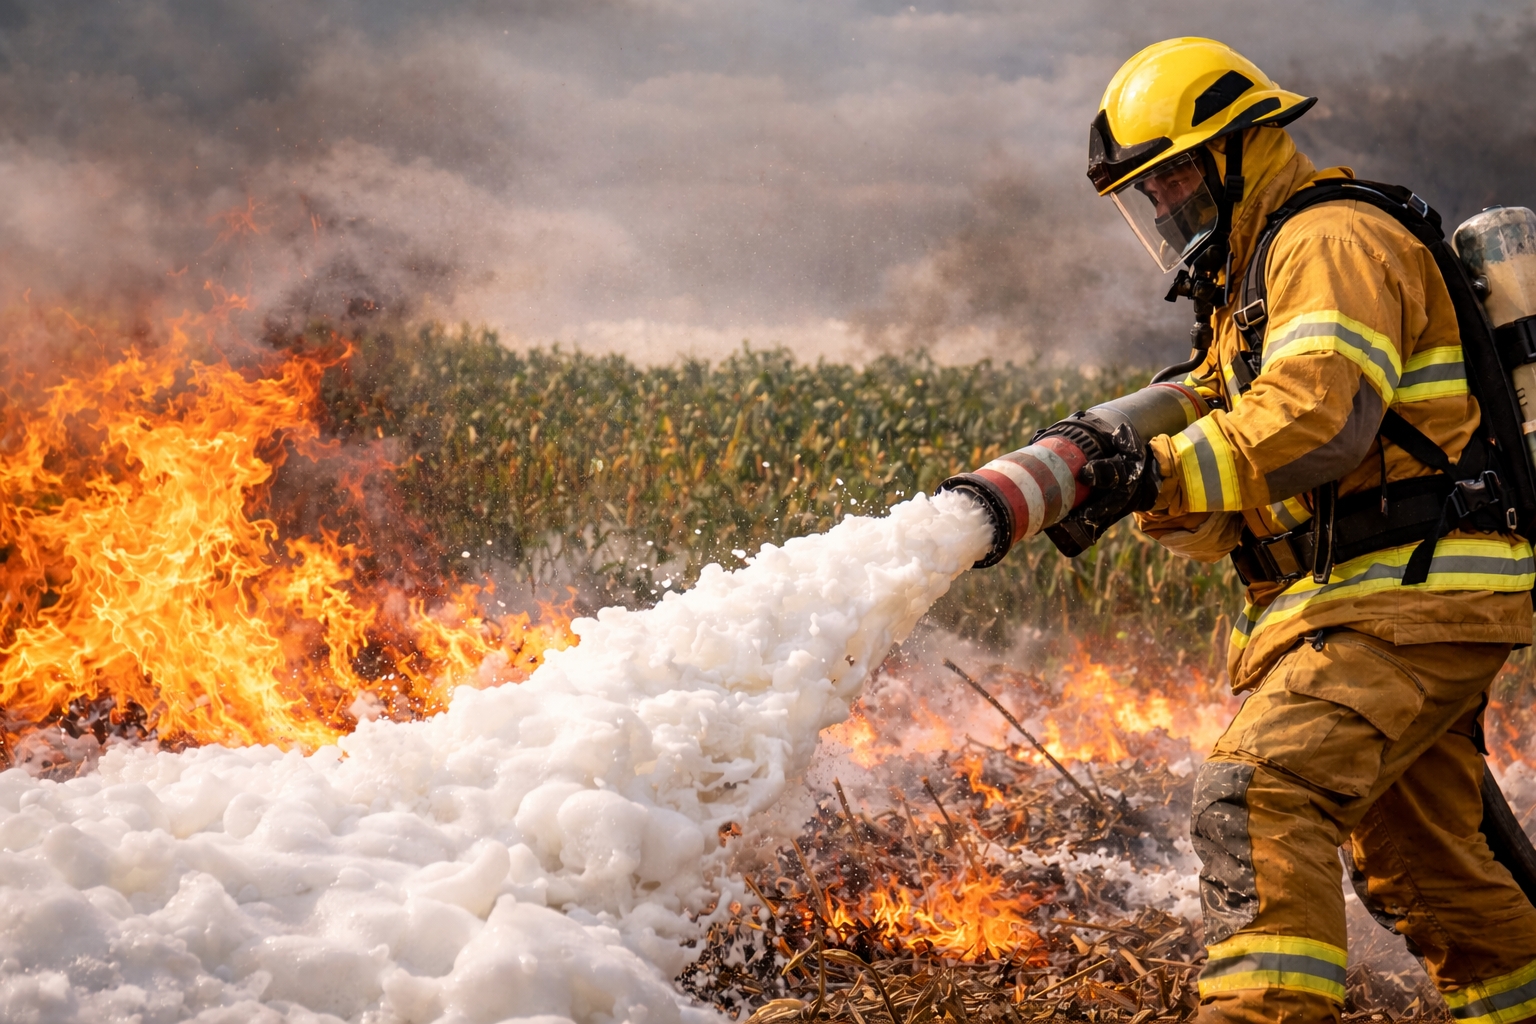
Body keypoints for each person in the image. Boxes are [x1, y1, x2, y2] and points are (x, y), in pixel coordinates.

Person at [1090, 37, 1536, 1024]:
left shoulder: (1324, 242)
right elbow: (1244, 497)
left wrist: (1158, 463)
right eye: (1147, 194)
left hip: (1401, 603)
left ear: (1239, 151)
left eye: (1171, 179)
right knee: (1430, 871)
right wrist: (1145, 488)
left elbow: (1317, 420)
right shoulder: (1247, 290)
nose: (1162, 208)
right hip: (1381, 602)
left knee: (1259, 793)